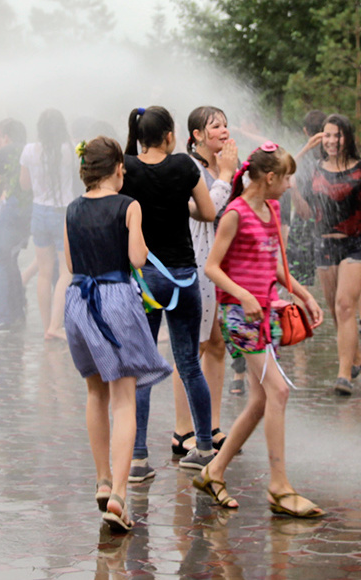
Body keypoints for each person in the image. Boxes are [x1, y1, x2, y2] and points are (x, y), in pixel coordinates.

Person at [192, 142, 326, 518]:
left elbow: (277, 266)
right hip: (239, 316)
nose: (288, 187)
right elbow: (213, 267)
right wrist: (241, 294)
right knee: (278, 391)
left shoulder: (273, 208)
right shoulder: (235, 213)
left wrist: (304, 296)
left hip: (264, 315)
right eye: (286, 180)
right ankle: (279, 486)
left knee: (260, 401)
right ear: (269, 178)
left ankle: (214, 472)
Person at [61, 136, 172, 533]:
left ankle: (102, 478)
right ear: (117, 169)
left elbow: (71, 262)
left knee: (95, 391)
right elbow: (138, 258)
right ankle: (120, 496)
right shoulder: (129, 206)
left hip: (78, 302)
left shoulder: (72, 209)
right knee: (125, 399)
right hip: (115, 302)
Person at [123, 106, 218, 478]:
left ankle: (138, 458)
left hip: (145, 277)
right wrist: (184, 206)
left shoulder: (127, 169)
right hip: (181, 275)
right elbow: (208, 212)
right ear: (169, 135)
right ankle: (205, 448)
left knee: (144, 367)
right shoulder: (184, 166)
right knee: (190, 363)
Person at [294, 113, 361, 394]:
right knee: (337, 310)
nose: (332, 141)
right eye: (327, 135)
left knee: (346, 305)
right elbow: (306, 213)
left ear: (348, 137)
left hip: (356, 243)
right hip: (323, 244)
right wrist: (295, 189)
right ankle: (355, 358)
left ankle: (343, 374)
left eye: (338, 135)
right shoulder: (312, 170)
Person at [172, 106, 239, 457]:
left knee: (216, 345)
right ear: (197, 135)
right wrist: (226, 174)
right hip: (196, 263)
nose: (223, 131)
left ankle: (210, 423)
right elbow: (202, 210)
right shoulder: (189, 168)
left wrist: (232, 172)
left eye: (225, 125)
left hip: (221, 266)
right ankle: (183, 427)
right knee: (190, 350)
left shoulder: (223, 167)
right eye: (215, 126)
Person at [21, 109, 77, 340]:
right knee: (66, 272)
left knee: (44, 273)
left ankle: (46, 327)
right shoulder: (70, 150)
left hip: (39, 212)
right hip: (63, 212)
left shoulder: (29, 151)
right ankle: (56, 325)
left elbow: (25, 186)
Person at [0, 118, 32, 330]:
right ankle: (18, 310)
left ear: (6, 137)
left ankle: (2, 317)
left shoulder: (3, 153)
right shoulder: (29, 150)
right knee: (11, 257)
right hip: (32, 210)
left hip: (12, 209)